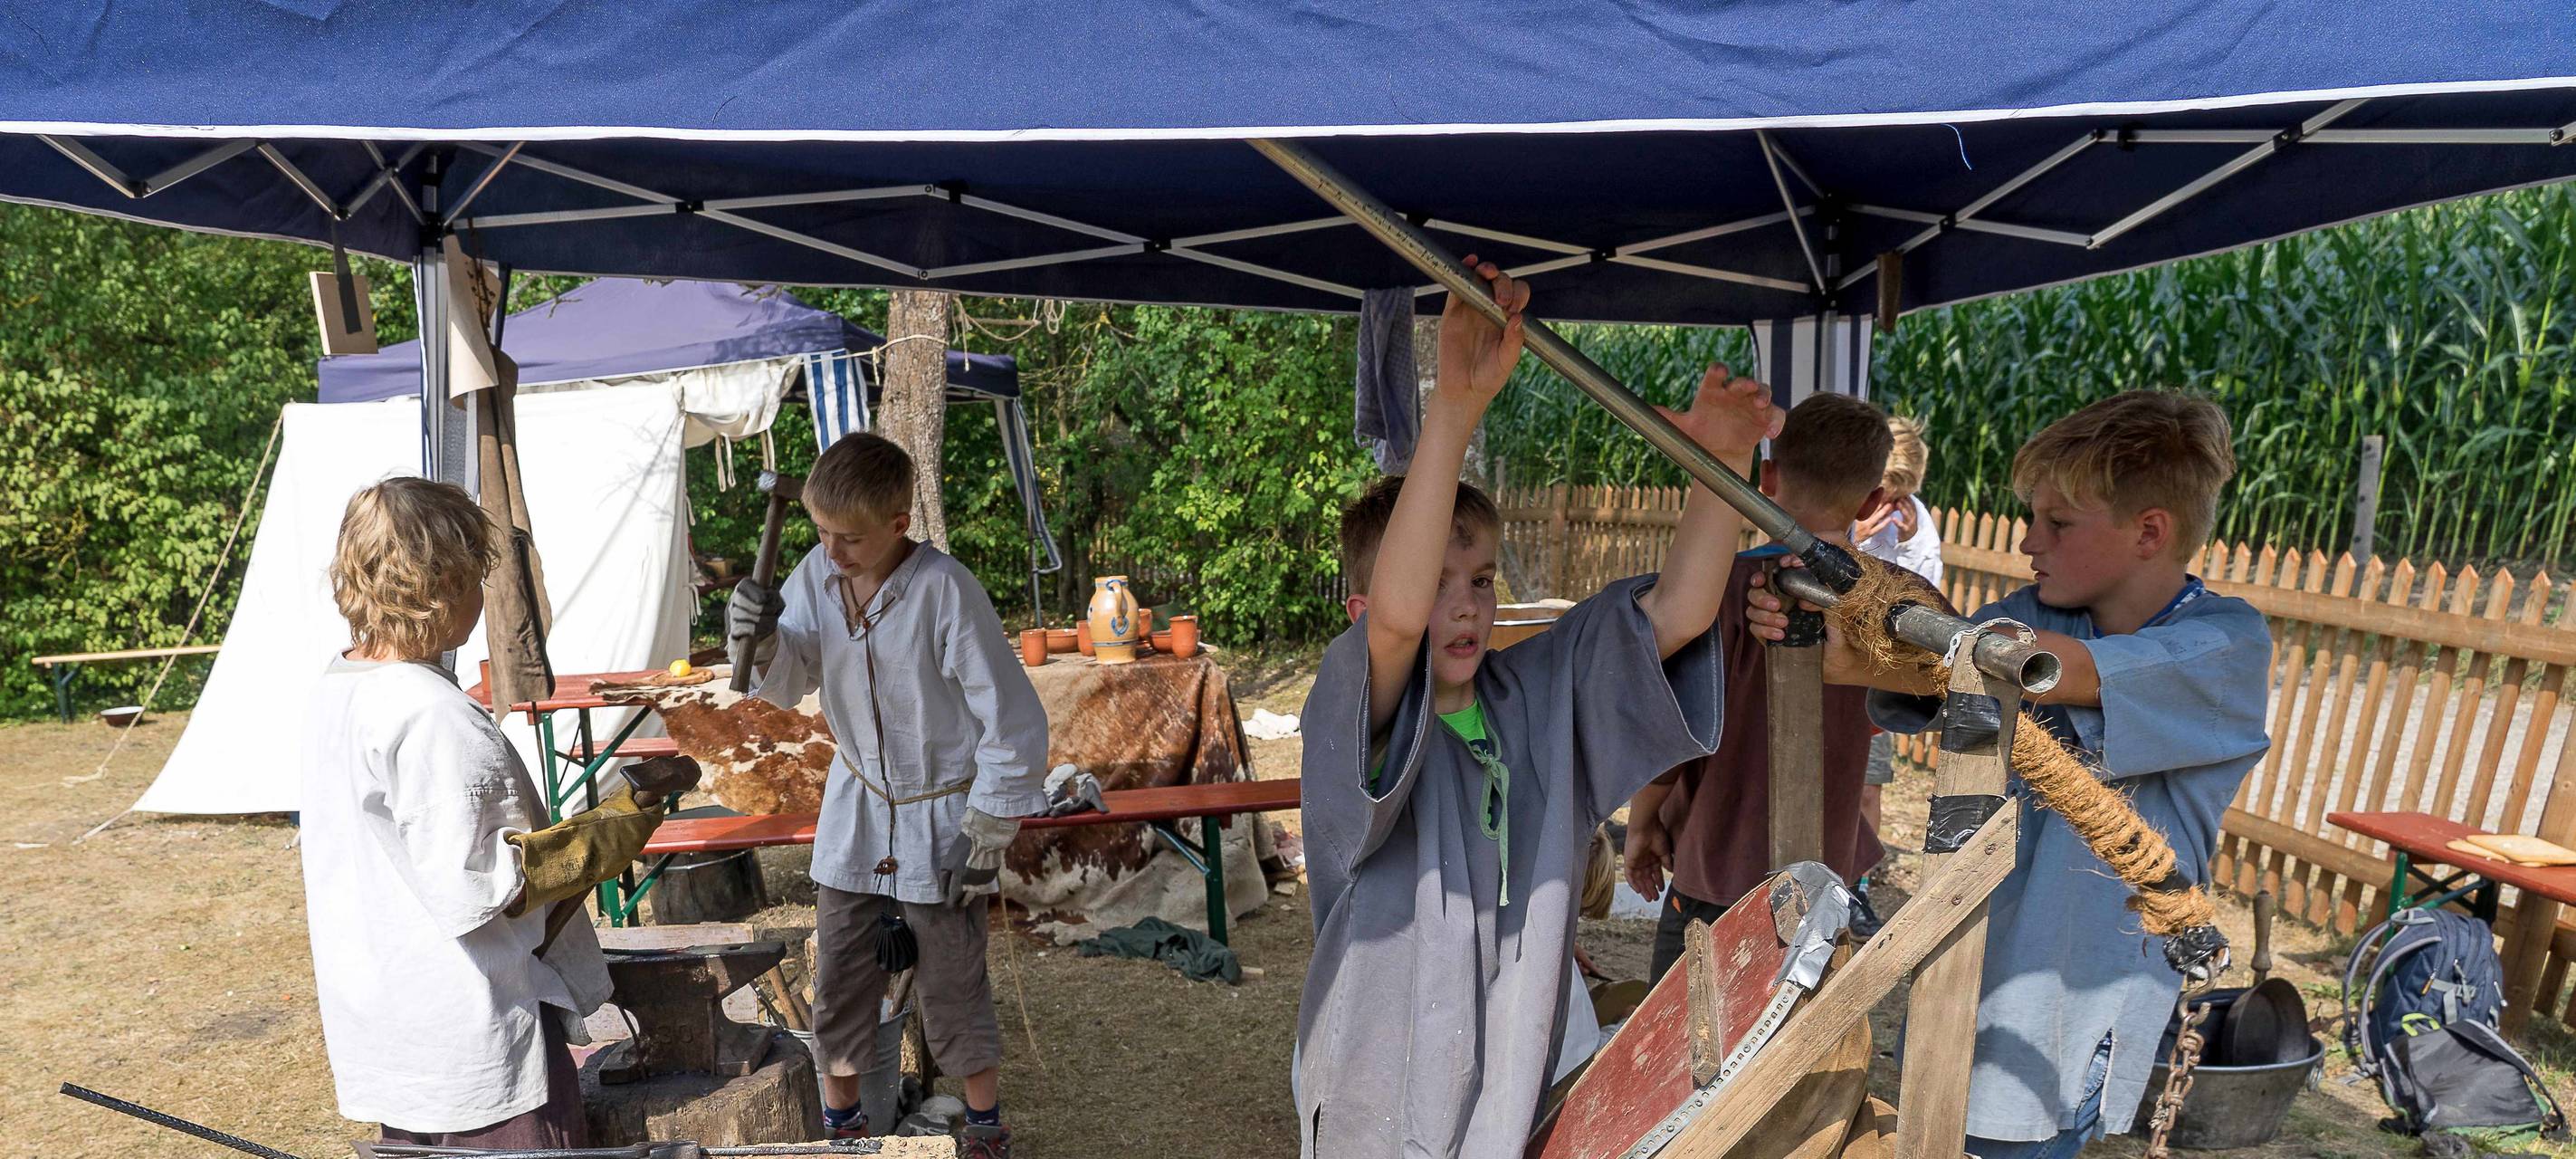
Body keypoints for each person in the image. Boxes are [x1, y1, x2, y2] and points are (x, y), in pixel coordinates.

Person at [1296, 257, 1780, 1158]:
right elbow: (1399, 621)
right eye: (1437, 583)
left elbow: (1675, 614)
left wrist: (1720, 459)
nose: (1467, 604)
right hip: (1379, 1091)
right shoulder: (1346, 709)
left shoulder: (1536, 695)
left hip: (1526, 1074)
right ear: (1360, 611)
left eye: (1479, 579)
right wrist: (1454, 408)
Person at [1750, 390, 2272, 1156]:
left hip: (2071, 995)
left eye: (2057, 524)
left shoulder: (2225, 646)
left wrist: (1904, 631)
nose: (2030, 543)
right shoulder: (2043, 609)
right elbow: (1914, 661)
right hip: (1976, 960)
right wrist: (1831, 623)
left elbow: (2047, 669)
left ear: (2149, 533)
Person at [301, 478, 682, 1147]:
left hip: (401, 1017)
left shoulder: (343, 687)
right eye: (477, 579)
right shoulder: (429, 713)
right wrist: (622, 820)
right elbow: (483, 885)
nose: (482, 597)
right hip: (470, 1024)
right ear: (443, 585)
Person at [727, 432, 1046, 1159]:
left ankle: (986, 1130)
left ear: (899, 525)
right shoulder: (814, 574)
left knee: (952, 979)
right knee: (839, 974)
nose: (832, 552)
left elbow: (1012, 717)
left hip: (943, 813)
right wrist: (764, 636)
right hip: (860, 806)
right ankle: (844, 1130)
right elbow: (789, 679)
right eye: (821, 534)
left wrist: (989, 827)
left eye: (851, 538)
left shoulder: (944, 589)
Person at [1620, 393, 1894, 982]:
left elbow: (1672, 739)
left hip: (1715, 871)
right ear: (1873, 499)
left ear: (1767, 476)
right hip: (1823, 880)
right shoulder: (1884, 610)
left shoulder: (1713, 595)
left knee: (1681, 1049)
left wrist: (1643, 821)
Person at [1852, 415, 1942, 883]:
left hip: (1875, 671)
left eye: (1898, 493)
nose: (1886, 503)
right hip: (1832, 665)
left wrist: (1906, 545)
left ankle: (1860, 881)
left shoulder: (1916, 522)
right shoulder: (1848, 506)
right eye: (1881, 489)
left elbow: (1928, 592)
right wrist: (1858, 539)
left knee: (1869, 784)